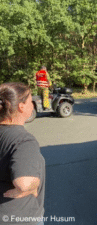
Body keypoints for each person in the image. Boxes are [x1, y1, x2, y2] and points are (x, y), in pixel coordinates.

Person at [0, 82, 46, 225]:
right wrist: (34, 184)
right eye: (30, 100)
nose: (33, 103)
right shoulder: (23, 140)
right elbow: (24, 183)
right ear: (21, 107)